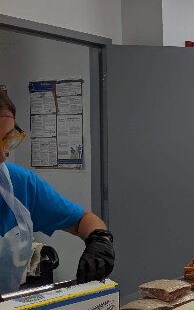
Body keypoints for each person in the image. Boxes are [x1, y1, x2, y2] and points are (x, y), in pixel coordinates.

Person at [0, 91, 114, 294]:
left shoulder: (18, 184)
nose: (2, 156)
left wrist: (99, 241)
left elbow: (84, 220)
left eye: (6, 140)